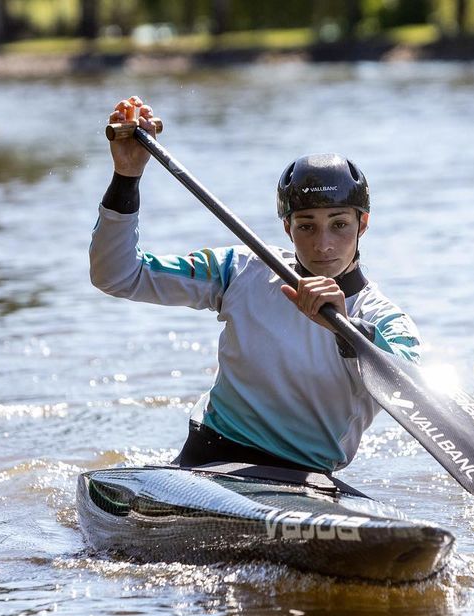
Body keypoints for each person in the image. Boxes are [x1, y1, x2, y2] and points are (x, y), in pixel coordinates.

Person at [90, 96, 421, 474]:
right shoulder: (240, 269)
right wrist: (127, 176)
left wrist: (345, 330)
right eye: (307, 226)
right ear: (287, 228)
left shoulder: (385, 320)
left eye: (339, 224)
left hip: (304, 475)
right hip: (208, 456)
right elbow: (117, 275)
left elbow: (409, 387)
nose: (323, 244)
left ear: (363, 224)